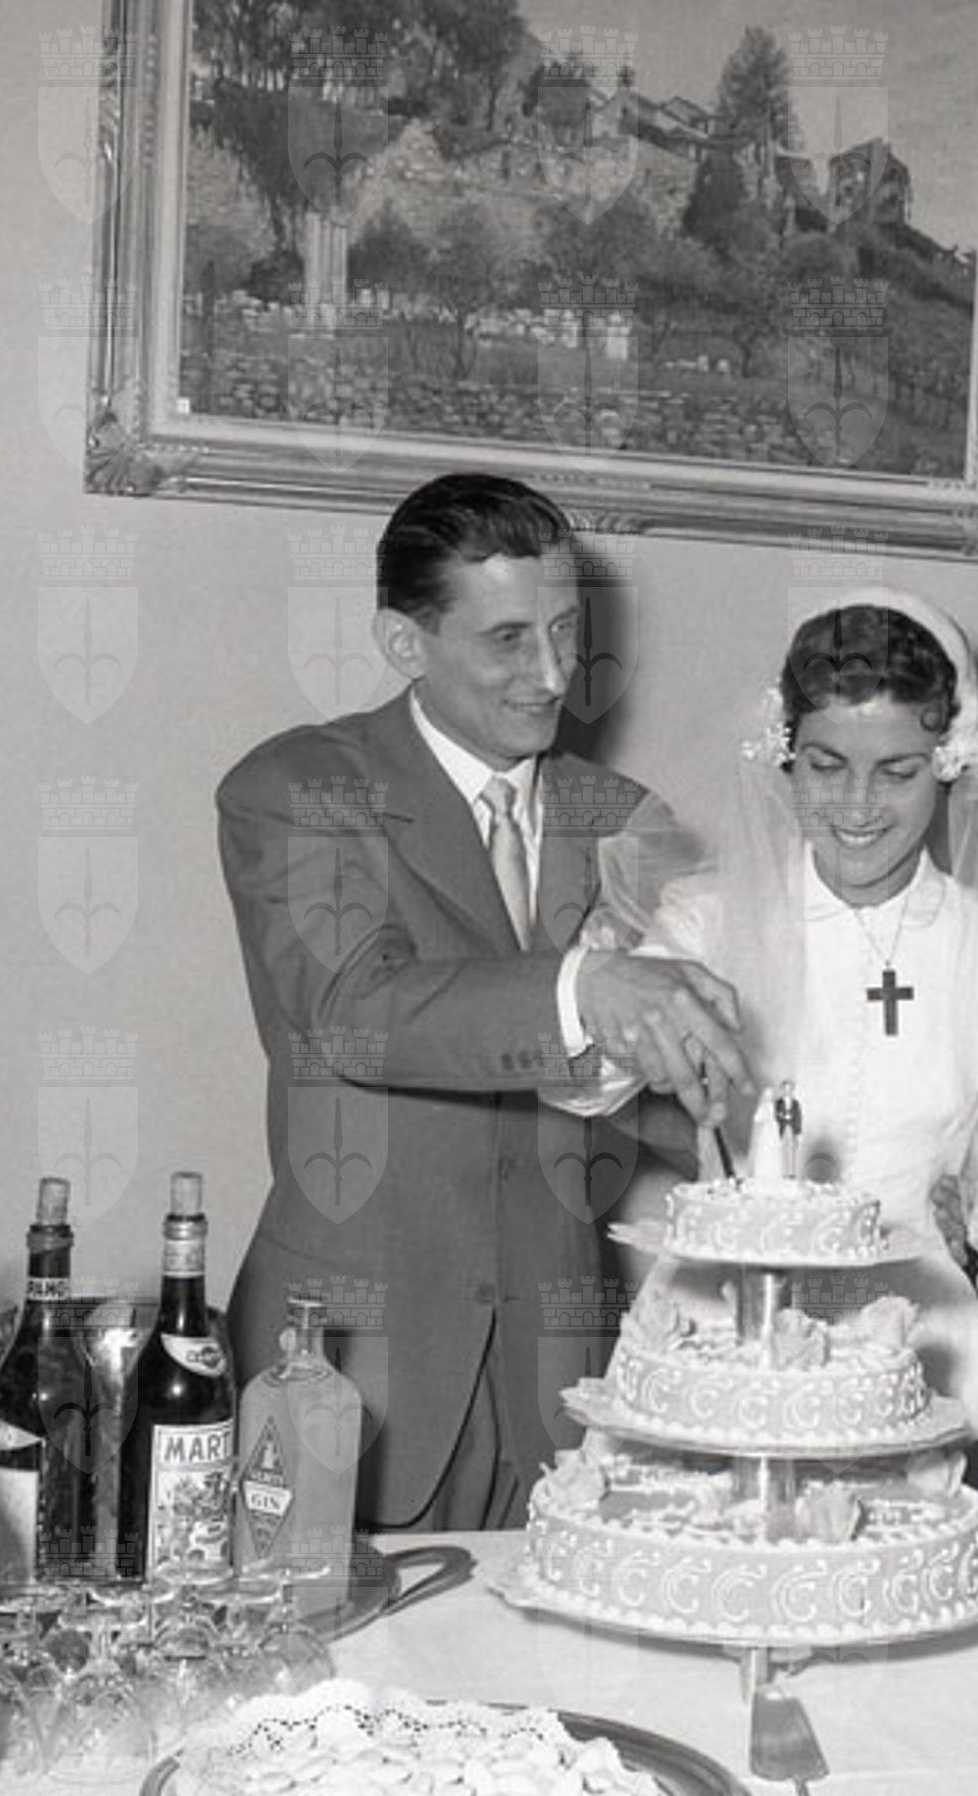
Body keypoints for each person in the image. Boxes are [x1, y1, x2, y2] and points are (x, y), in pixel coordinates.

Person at [216, 473, 751, 1534]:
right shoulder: (301, 788)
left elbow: (663, 1096)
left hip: (563, 1379)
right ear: (404, 642)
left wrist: (842, 1159)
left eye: (565, 631)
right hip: (351, 1365)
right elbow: (354, 1010)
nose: (551, 674)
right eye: (508, 639)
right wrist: (584, 986)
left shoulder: (626, 820)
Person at [562, 589, 978, 1537]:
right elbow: (586, 1086)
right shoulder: (706, 920)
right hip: (722, 1353)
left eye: (897, 772)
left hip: (919, 1362)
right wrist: (596, 987)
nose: (858, 806)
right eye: (826, 766)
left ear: (948, 764)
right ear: (785, 754)